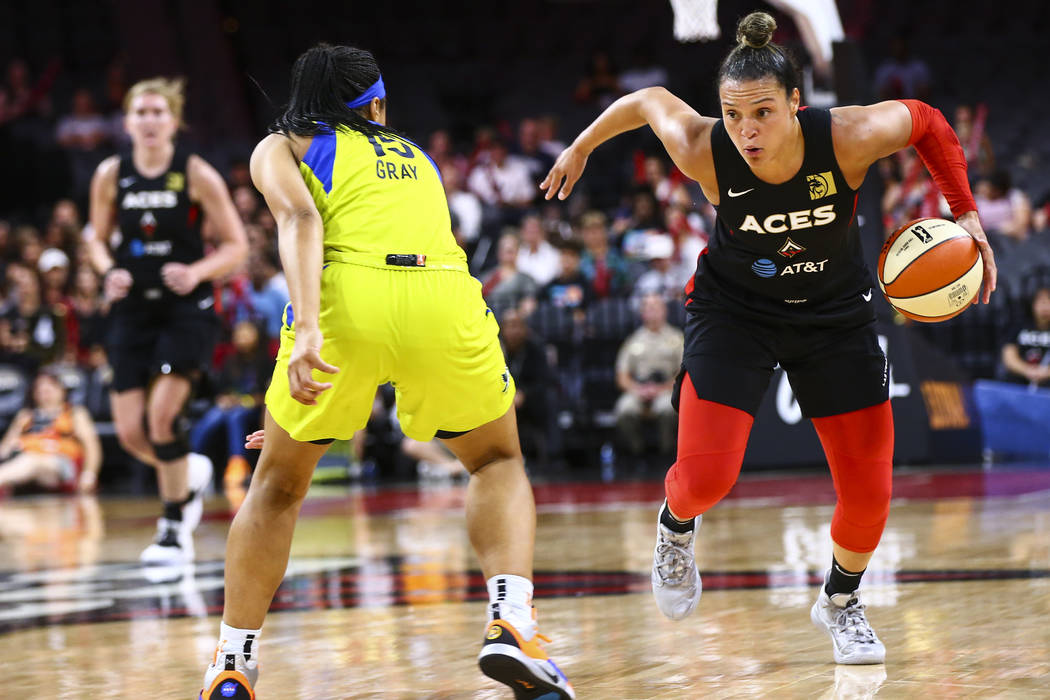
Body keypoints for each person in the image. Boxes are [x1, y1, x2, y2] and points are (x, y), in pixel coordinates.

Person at [542, 11, 997, 666]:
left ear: (795, 103)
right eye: (733, 114)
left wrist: (965, 215)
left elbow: (927, 120)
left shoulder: (846, 137)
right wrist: (582, 146)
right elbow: (645, 102)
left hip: (834, 315)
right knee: (704, 479)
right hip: (736, 311)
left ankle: (840, 602)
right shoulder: (703, 147)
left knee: (869, 497)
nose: (746, 130)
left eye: (761, 113)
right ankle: (674, 530)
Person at [199, 44, 573, 700]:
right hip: (442, 294)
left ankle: (233, 661)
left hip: (346, 297)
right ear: (374, 103)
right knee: (495, 462)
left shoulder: (281, 144)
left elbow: (299, 218)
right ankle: (511, 621)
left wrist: (309, 329)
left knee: (278, 486)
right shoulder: (417, 157)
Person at [86, 77, 248, 564]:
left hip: (186, 310)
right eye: (142, 112)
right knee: (134, 432)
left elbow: (237, 246)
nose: (150, 120)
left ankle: (174, 526)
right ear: (128, 120)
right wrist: (107, 269)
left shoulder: (196, 173)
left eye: (159, 112)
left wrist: (196, 270)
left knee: (162, 419)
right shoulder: (111, 174)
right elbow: (96, 237)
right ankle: (190, 472)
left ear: (175, 121)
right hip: (133, 308)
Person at [0, 370, 101, 495]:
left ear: (62, 390)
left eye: (50, 388)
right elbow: (3, 451)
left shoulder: (75, 413)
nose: (45, 393)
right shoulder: (25, 416)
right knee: (27, 462)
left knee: (32, 461)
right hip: (23, 463)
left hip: (61, 464)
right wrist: (14, 438)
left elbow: (92, 447)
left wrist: (89, 475)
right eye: (40, 390)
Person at [614, 293, 683, 458]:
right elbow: (622, 375)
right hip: (639, 388)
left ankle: (666, 452)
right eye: (647, 307)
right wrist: (638, 389)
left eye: (655, 307)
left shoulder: (677, 338)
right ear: (642, 312)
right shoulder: (633, 340)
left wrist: (661, 389)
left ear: (664, 311)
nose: (651, 311)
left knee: (667, 409)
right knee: (624, 409)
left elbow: (682, 372)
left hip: (667, 389)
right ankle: (637, 452)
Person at [1000, 286, 1050, 386]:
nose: (1045, 306)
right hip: (1020, 383)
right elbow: (1009, 356)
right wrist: (1027, 370)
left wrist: (1046, 372)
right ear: (1032, 304)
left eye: (1048, 301)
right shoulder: (1019, 326)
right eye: (1041, 301)